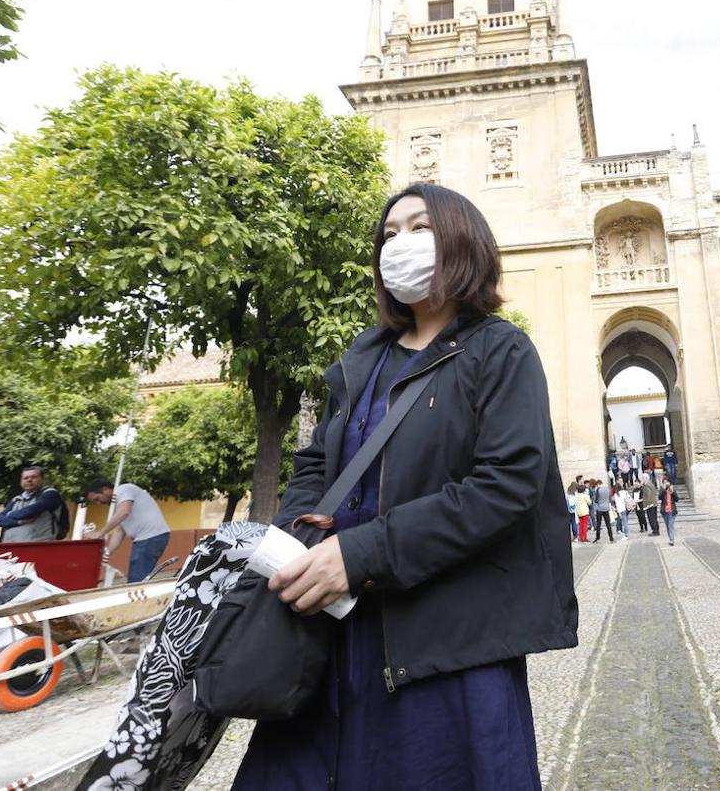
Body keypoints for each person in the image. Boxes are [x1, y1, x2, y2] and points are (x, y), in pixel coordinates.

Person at [231, 183, 577, 790]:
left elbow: (506, 485)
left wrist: (361, 554)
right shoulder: (360, 363)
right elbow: (316, 466)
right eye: (389, 236)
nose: (400, 245)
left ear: (462, 240)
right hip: (337, 641)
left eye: (419, 228)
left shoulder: (501, 352)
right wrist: (299, 542)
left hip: (447, 650)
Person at [84, 479, 172, 583]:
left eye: (97, 499)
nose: (99, 503)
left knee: (136, 580)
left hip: (150, 537)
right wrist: (107, 553)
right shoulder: (118, 504)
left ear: (105, 490)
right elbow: (120, 532)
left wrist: (100, 533)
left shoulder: (123, 489)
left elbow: (124, 512)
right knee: (137, 577)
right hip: (146, 539)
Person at [0, 466, 65, 542]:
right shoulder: (16, 499)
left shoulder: (50, 494)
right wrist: (18, 522)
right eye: (25, 478)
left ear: (42, 480)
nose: (29, 480)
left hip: (37, 545)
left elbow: (30, 511)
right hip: (10, 547)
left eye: (34, 477)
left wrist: (9, 514)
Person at [591, 478, 615, 543]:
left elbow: (596, 500)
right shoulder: (607, 489)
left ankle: (597, 537)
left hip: (600, 509)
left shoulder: (598, 490)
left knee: (598, 524)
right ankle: (611, 538)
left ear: (598, 484)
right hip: (606, 508)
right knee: (608, 524)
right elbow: (610, 498)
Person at [566, 475, 583, 542]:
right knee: (574, 523)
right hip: (575, 510)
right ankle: (575, 536)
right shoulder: (576, 493)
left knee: (569, 524)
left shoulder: (568, 493)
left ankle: (568, 536)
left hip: (568, 510)